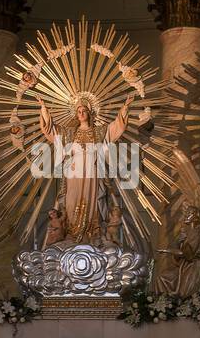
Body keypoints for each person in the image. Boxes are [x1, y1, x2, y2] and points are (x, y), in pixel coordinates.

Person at [38, 95, 131, 243]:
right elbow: (52, 130)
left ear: (90, 113)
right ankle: (71, 234)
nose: (81, 113)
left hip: (92, 174)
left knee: (92, 202)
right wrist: (43, 109)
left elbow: (116, 127)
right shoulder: (69, 133)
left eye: (84, 110)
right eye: (79, 111)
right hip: (73, 175)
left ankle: (91, 234)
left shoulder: (99, 132)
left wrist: (125, 108)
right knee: (71, 202)